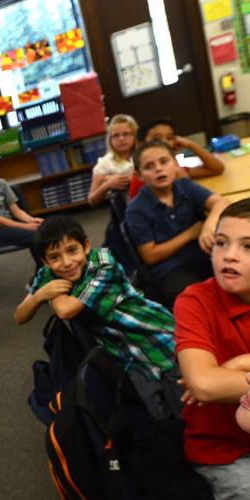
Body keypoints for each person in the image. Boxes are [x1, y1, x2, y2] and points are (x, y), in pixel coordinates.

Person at [14, 216, 181, 419]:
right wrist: (40, 295)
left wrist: (52, 294)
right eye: (55, 257)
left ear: (86, 246)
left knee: (185, 402)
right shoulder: (47, 274)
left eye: (72, 251)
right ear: (45, 262)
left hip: (156, 338)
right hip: (124, 353)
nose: (66, 263)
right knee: (156, 413)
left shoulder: (103, 265)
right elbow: (19, 316)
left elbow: (66, 310)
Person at [175, 199, 250, 497]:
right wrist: (212, 377)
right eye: (221, 243)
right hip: (227, 450)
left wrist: (235, 366)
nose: (229, 255)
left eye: (248, 246)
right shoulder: (195, 301)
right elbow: (204, 384)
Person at [125, 140, 229, 308]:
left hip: (203, 255)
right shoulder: (136, 210)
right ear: (139, 175)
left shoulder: (185, 186)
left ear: (176, 164)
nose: (159, 169)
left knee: (237, 276)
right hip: (170, 269)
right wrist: (191, 233)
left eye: (164, 162)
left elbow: (221, 202)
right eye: (149, 167)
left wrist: (209, 223)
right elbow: (150, 255)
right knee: (199, 303)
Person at [128, 117, 225, 199]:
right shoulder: (144, 175)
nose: (164, 142)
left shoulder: (172, 167)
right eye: (157, 138)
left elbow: (217, 169)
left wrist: (191, 145)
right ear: (141, 144)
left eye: (169, 138)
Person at [87, 114, 137, 206]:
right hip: (125, 208)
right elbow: (92, 200)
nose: (121, 139)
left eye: (126, 134)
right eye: (116, 135)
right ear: (110, 139)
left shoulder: (145, 154)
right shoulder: (105, 163)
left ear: (134, 135)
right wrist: (107, 185)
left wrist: (132, 178)